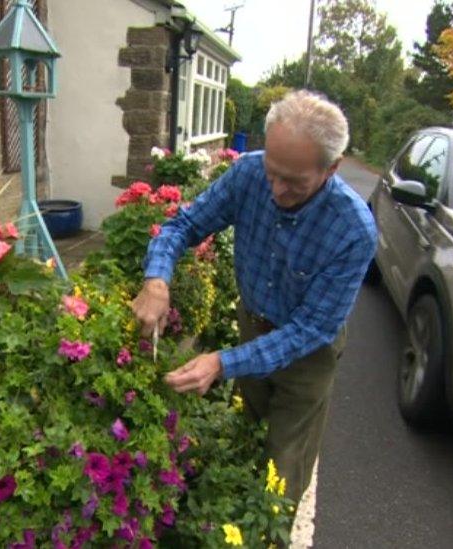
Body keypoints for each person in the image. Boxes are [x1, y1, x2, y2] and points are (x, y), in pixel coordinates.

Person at [131, 90, 377, 501]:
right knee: (247, 436)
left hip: (307, 356)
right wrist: (157, 281)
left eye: (295, 183)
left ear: (331, 168)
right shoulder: (247, 175)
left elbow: (310, 329)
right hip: (253, 323)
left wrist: (221, 363)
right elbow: (182, 226)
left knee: (282, 475)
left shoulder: (353, 230)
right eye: (272, 172)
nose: (278, 190)